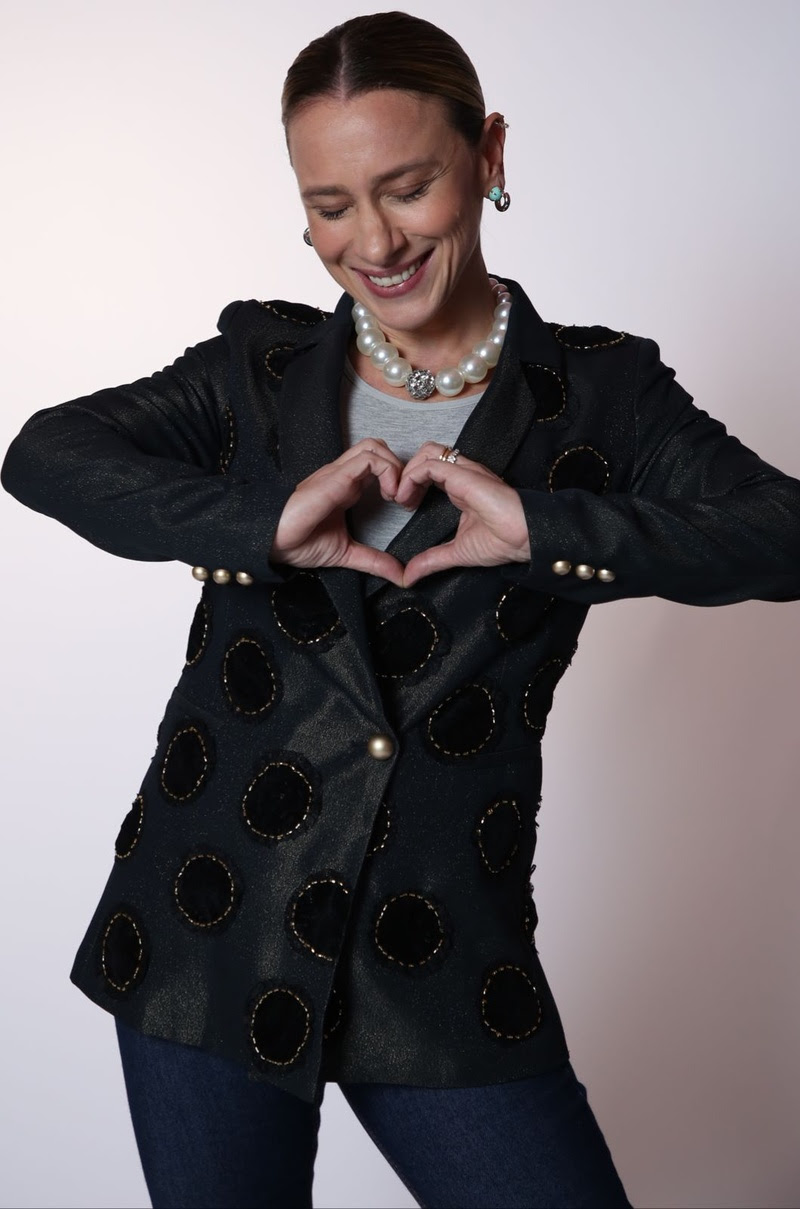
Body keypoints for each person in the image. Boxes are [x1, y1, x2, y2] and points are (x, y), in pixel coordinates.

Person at [3, 10, 799, 1209]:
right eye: (329, 205)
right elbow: (43, 452)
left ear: (487, 153)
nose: (371, 241)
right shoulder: (258, 371)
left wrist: (548, 530)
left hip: (442, 953)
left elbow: (781, 532)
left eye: (407, 187)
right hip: (207, 924)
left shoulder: (602, 394)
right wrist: (258, 525)